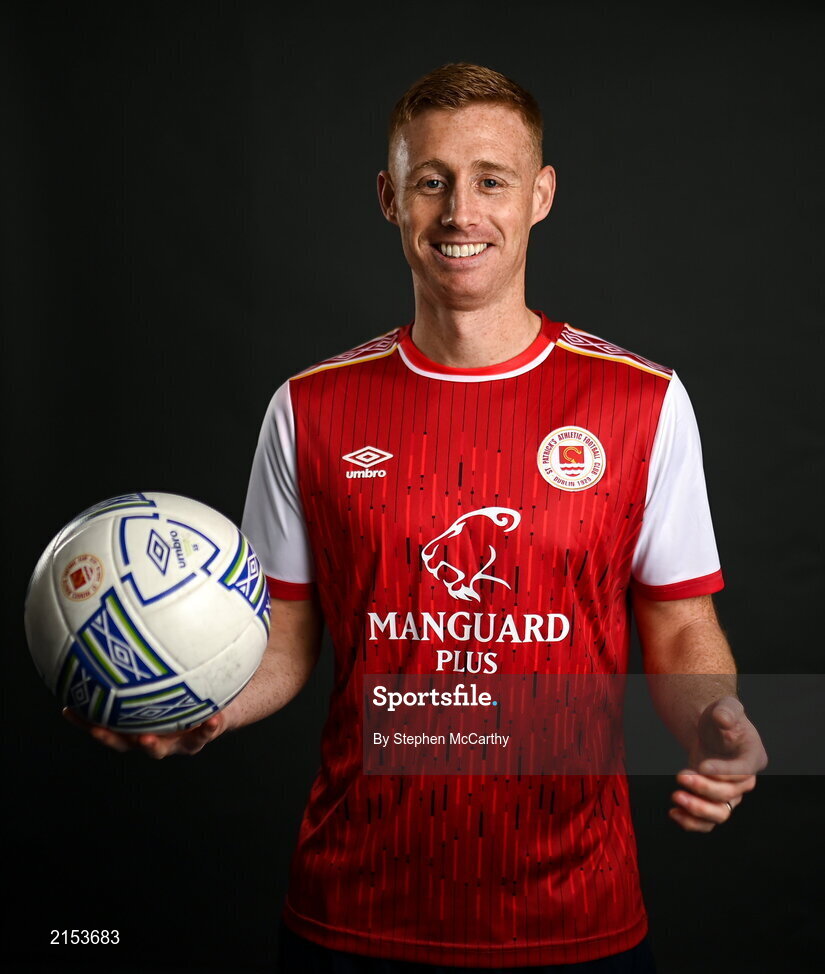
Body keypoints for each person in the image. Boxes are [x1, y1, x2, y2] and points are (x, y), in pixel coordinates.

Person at [74, 63, 768, 971]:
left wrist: (716, 717)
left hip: (574, 914)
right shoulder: (308, 408)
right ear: (388, 197)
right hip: (352, 908)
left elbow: (679, 631)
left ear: (540, 196)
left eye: (491, 180)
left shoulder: (641, 402)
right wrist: (201, 707)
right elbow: (280, 638)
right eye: (430, 181)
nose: (459, 214)